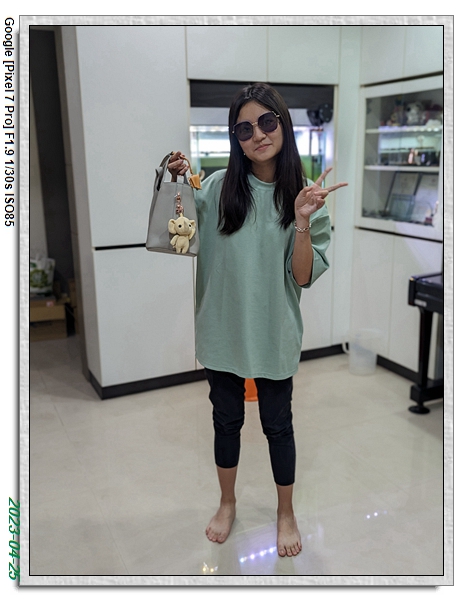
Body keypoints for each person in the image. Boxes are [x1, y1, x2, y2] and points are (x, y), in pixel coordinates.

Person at [168, 82, 347, 558]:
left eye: (267, 122)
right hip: (222, 331)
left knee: (278, 426)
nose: (258, 135)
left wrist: (302, 219)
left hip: (273, 333)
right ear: (236, 139)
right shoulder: (215, 188)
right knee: (225, 422)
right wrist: (177, 185)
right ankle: (227, 502)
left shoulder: (305, 197)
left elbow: (303, 276)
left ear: (283, 124)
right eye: (244, 129)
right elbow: (176, 238)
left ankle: (286, 512)